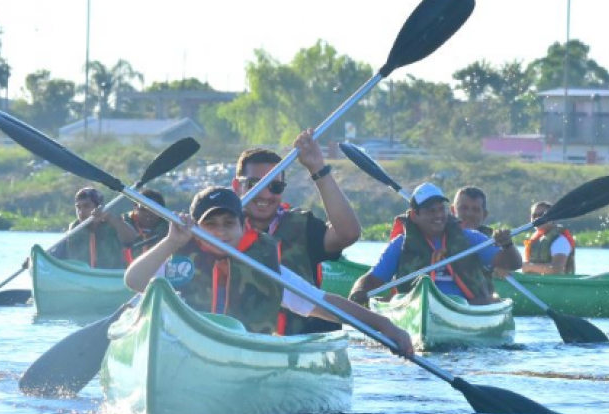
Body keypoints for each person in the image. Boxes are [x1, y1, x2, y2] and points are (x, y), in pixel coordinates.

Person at [124, 186, 413, 357]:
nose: (221, 233)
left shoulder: (264, 267)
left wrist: (385, 325)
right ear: (197, 228)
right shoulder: (176, 255)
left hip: (242, 355)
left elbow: (323, 304)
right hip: (182, 351)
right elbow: (134, 280)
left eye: (228, 224)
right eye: (210, 225)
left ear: (242, 226)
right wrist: (172, 240)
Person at [231, 129, 362, 335]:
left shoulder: (302, 227)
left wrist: (317, 168)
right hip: (240, 339)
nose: (265, 194)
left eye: (275, 186)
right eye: (255, 184)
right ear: (237, 186)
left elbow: (348, 233)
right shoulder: (217, 229)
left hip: (299, 343)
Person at [348, 183, 522, 306]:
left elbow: (513, 263)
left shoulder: (471, 238)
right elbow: (373, 279)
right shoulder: (400, 244)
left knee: (489, 300)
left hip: (466, 307)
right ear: (414, 216)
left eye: (441, 209)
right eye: (431, 211)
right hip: (415, 307)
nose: (438, 216)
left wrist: (508, 245)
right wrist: (358, 292)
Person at [451, 186, 511, 292]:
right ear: (453, 210)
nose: (469, 214)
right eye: (463, 208)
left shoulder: (492, 242)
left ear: (484, 215)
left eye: (475, 210)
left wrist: (502, 263)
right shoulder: (440, 234)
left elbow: (512, 263)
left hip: (480, 298)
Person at [63, 187, 138, 269]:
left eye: (86, 206)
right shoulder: (74, 229)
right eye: (78, 207)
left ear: (99, 207)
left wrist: (108, 216)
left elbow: (131, 238)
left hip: (108, 278)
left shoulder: (113, 225)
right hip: (82, 278)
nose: (81, 212)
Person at [522, 201, 576, 275]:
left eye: (541, 215)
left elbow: (557, 269)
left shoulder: (560, 240)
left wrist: (530, 267)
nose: (537, 218)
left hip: (558, 285)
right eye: (534, 215)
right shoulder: (535, 240)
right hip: (537, 285)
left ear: (553, 217)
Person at [122, 188, 169, 265]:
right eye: (143, 208)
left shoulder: (170, 229)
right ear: (135, 208)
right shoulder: (122, 223)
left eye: (154, 209)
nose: (148, 213)